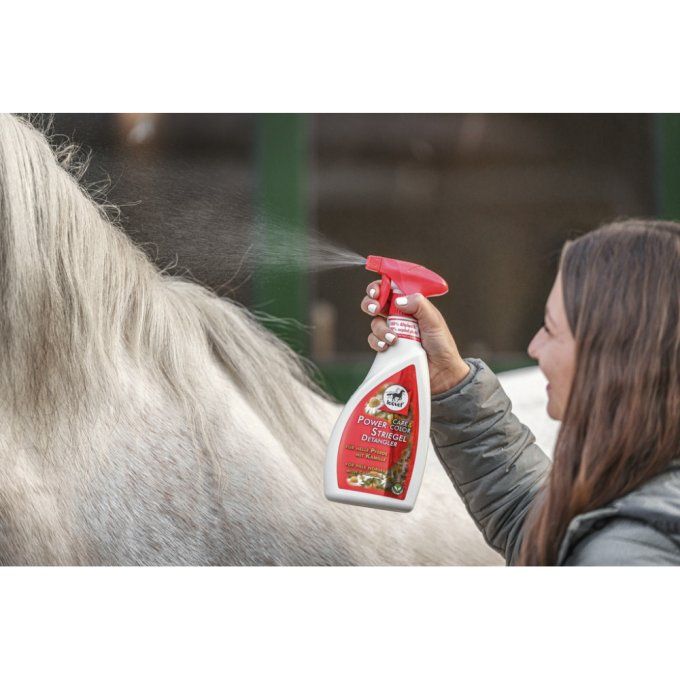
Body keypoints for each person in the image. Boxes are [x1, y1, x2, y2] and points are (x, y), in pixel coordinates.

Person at [361, 220, 680, 565]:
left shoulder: (623, 557)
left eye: (550, 329)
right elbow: (543, 531)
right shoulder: (647, 506)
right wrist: (449, 383)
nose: (534, 346)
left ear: (614, 355)